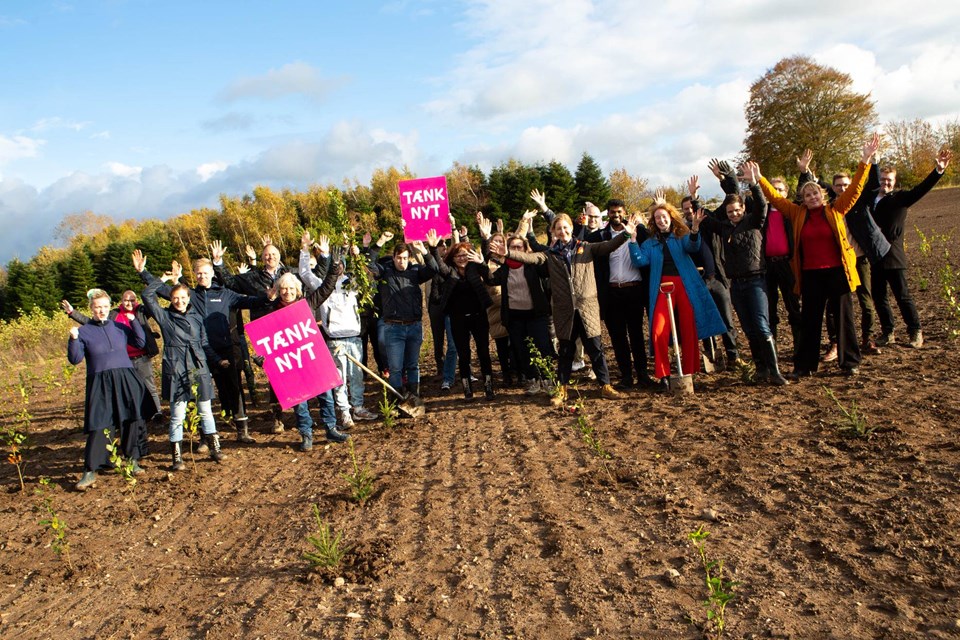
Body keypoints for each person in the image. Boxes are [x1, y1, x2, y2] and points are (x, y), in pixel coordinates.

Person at [756, 133, 881, 378]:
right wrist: (759, 178)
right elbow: (775, 198)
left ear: (822, 195)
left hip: (838, 272)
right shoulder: (796, 213)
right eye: (807, 195)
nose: (812, 197)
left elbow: (855, 189)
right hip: (811, 275)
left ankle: (849, 362)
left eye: (816, 194)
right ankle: (805, 366)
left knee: (844, 319)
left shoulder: (836, 209)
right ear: (802, 199)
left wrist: (865, 161)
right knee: (810, 320)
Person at [138, 246, 271, 444]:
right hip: (198, 353)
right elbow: (165, 291)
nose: (202, 276)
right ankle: (203, 437)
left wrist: (269, 296)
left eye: (205, 272)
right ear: (195, 275)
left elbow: (251, 301)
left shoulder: (226, 294)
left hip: (225, 349)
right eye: (199, 273)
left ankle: (242, 430)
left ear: (211, 273)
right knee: (199, 394)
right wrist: (143, 272)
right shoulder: (190, 295)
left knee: (234, 389)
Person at [504, 212, 638, 406]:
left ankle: (605, 386)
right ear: (554, 232)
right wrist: (507, 253)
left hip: (587, 308)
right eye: (559, 228)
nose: (563, 231)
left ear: (571, 228)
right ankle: (562, 389)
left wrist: (626, 235)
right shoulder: (550, 255)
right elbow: (530, 258)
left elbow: (608, 246)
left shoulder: (585, 247)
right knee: (566, 351)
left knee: (596, 349)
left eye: (565, 227)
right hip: (565, 311)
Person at [696, 164, 788, 385]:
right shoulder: (725, 228)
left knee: (761, 325)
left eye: (737, 210)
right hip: (736, 284)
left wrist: (754, 184)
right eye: (730, 212)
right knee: (748, 328)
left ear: (743, 210)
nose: (734, 214)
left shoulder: (754, 221)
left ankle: (774, 371)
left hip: (756, 281)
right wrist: (695, 197)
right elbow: (707, 220)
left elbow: (762, 205)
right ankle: (761, 369)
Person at [627, 199, 727, 387]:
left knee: (689, 328)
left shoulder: (681, 236)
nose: (661, 220)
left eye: (664, 217)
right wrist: (632, 240)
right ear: (653, 221)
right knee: (658, 330)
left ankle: (690, 371)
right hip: (662, 286)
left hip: (686, 284)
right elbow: (640, 261)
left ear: (671, 218)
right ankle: (663, 374)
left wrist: (695, 229)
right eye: (657, 218)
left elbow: (693, 247)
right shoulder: (650, 243)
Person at [141, 256, 227, 470]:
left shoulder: (197, 318)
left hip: (199, 369)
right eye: (176, 298)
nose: (179, 301)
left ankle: (215, 448)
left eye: (183, 297)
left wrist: (217, 360)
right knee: (177, 415)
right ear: (171, 299)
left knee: (206, 411)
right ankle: (177, 457)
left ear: (189, 298)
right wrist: (161, 279)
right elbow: (147, 295)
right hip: (176, 369)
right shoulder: (164, 317)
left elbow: (204, 343)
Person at [67, 289, 156, 491]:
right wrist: (73, 339)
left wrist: (134, 322)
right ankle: (90, 471)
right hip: (100, 382)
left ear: (109, 307)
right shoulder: (84, 332)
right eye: (98, 307)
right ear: (91, 308)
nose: (102, 311)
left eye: (105, 307)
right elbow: (75, 359)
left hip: (126, 377)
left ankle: (133, 460)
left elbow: (140, 342)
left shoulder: (119, 327)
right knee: (99, 424)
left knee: (132, 418)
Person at [871, 149, 953, 348]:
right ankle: (888, 332)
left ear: (895, 181)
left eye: (889, 180)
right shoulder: (871, 198)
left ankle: (915, 331)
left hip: (893, 257)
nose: (885, 183)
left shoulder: (900, 199)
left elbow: (921, 189)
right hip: (874, 257)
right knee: (879, 298)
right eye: (882, 179)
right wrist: (874, 162)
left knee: (902, 296)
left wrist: (938, 171)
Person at [272, 243, 348, 451]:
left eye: (290, 289)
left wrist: (333, 268)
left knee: (325, 394)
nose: (287, 292)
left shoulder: (307, 303)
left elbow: (326, 288)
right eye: (283, 289)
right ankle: (306, 434)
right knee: (300, 401)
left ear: (297, 290)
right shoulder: (272, 312)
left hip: (313, 357)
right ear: (279, 291)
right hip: (291, 363)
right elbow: (267, 340)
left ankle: (331, 428)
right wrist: (264, 358)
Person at [298, 233, 378, 428]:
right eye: (336, 263)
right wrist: (305, 250)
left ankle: (358, 408)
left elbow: (368, 275)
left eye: (341, 263)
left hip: (354, 337)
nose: (339, 267)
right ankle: (344, 413)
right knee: (339, 379)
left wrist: (357, 255)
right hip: (335, 340)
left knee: (357, 375)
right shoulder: (321, 284)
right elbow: (304, 273)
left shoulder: (353, 283)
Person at [214, 238, 294, 433]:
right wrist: (219, 263)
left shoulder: (289, 274)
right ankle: (277, 417)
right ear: (262, 258)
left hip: (290, 328)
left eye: (273, 254)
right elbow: (230, 282)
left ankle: (301, 414)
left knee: (294, 370)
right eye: (266, 254)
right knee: (275, 374)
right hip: (267, 331)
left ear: (279, 256)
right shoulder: (252, 278)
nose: (270, 257)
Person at [584, 198, 654, 389]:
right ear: (608, 214)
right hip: (612, 292)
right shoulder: (598, 237)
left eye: (619, 211)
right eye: (613, 212)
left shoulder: (640, 234)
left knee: (637, 335)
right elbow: (581, 243)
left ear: (625, 212)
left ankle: (643, 374)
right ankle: (625, 376)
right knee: (617, 337)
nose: (616, 215)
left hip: (634, 290)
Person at [61, 290, 162, 421]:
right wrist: (72, 313)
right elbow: (93, 323)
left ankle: (156, 412)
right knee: (125, 391)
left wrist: (154, 284)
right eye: (126, 300)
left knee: (148, 386)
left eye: (132, 300)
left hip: (142, 357)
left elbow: (152, 302)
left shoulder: (141, 312)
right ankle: (128, 416)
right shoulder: (113, 314)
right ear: (121, 301)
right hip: (123, 361)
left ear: (136, 301)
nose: (129, 302)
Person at [368, 231, 439, 398]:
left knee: (413, 365)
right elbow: (369, 263)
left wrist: (425, 251)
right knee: (395, 368)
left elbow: (434, 269)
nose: (402, 262)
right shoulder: (385, 272)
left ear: (409, 258)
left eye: (405, 258)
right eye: (399, 258)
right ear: (393, 258)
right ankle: (397, 400)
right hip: (393, 328)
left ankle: (414, 398)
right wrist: (380, 242)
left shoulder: (415, 272)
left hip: (414, 326)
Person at [486, 232, 554, 395]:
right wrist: (482, 259)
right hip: (515, 317)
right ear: (506, 249)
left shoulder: (533, 266)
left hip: (536, 315)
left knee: (543, 347)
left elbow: (546, 263)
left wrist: (531, 235)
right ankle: (532, 381)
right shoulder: (504, 269)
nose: (516, 250)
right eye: (512, 247)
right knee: (522, 350)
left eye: (519, 247)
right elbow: (490, 279)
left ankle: (548, 379)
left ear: (525, 249)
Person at [430, 231, 495, 399]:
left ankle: (488, 386)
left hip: (478, 316)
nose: (462, 258)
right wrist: (432, 248)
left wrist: (485, 238)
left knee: (483, 352)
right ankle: (467, 388)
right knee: (463, 354)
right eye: (458, 256)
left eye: (465, 255)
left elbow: (488, 275)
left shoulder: (475, 268)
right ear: (453, 258)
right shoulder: (449, 272)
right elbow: (439, 265)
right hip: (458, 319)